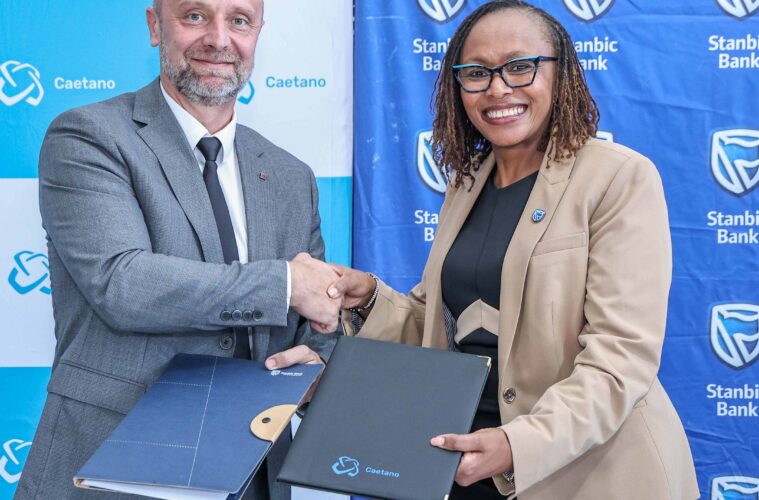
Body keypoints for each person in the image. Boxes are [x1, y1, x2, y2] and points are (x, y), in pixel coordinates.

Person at [330, 1, 699, 498]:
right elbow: (441, 323)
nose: (498, 88)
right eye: (477, 73)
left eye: (520, 66)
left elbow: (620, 359)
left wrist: (516, 444)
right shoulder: (465, 184)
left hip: (586, 474)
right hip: (465, 464)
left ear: (561, 73)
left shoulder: (618, 177)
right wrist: (369, 298)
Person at [15, 1, 340, 499]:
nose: (219, 39)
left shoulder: (291, 175)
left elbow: (316, 318)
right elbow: (121, 282)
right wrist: (285, 284)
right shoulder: (88, 137)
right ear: (154, 26)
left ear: (257, 33)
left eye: (238, 20)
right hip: (115, 472)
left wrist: (320, 356)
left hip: (254, 476)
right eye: (194, 16)